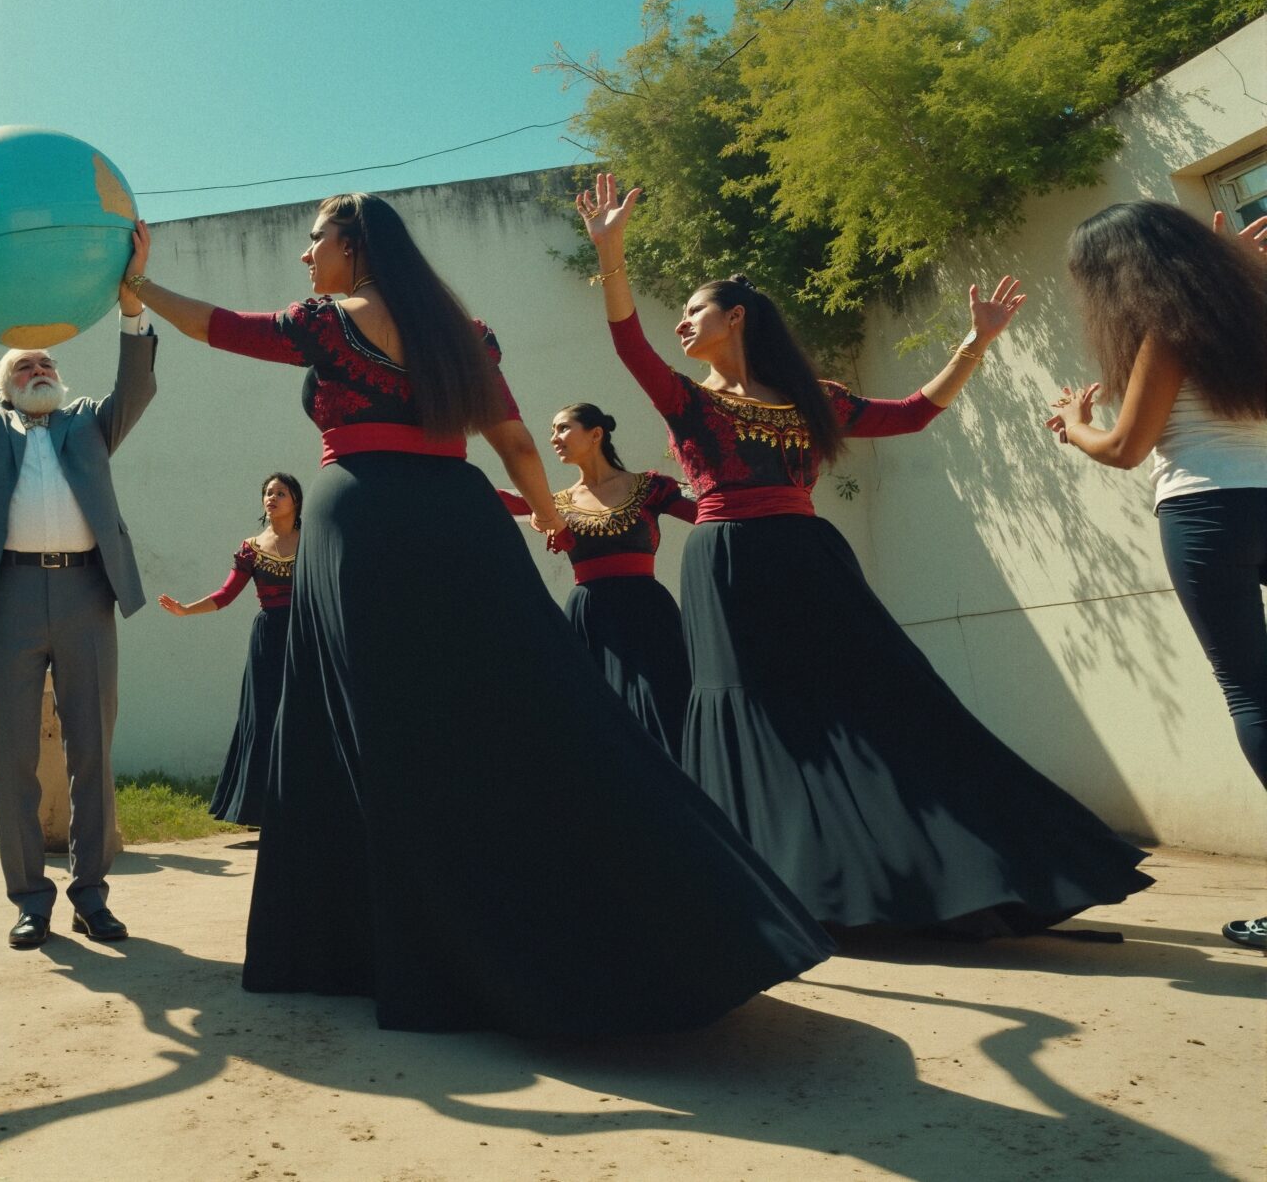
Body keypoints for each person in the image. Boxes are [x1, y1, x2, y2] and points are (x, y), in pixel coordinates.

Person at [128, 193, 831, 1036]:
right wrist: (547, 516)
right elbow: (519, 441)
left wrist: (140, 281)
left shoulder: (326, 322)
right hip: (463, 520)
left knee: (376, 731)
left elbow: (219, 327)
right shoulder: (462, 331)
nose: (305, 257)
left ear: (353, 242)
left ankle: (397, 946)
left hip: (364, 525)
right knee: (524, 713)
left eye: (314, 242)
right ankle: (662, 916)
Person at [575, 171, 1152, 935]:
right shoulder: (689, 398)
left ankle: (945, 872)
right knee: (752, 715)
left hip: (810, 560)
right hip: (727, 566)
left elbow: (914, 414)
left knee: (879, 702)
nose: (680, 323)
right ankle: (783, 877)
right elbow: (627, 342)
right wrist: (610, 252)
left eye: (693, 310)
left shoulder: (818, 398)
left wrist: (973, 344)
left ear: (736, 316)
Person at [1048, 203, 1267, 950]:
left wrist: (1074, 422)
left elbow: (1124, 448)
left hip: (1211, 515)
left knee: (1252, 689)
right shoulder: (1250, 312)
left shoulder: (1167, 331)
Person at [0, 266, 156, 950]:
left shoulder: (91, 425)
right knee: (14, 753)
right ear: (6, 387)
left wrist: (132, 308)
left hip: (86, 593)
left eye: (47, 360)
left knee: (93, 753)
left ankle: (91, 894)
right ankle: (30, 899)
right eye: (25, 364)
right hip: (7, 597)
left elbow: (136, 385)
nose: (40, 367)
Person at [493, 404, 697, 755]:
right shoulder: (554, 504)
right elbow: (504, 500)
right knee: (605, 714)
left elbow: (711, 512)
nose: (553, 439)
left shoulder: (650, 487)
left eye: (562, 428)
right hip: (592, 618)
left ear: (595, 434)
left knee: (666, 703)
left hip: (648, 613)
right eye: (552, 431)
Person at [157, 473, 302, 825]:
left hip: (305, 636)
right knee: (264, 717)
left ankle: (306, 810)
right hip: (268, 639)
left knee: (303, 718)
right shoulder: (251, 548)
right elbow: (225, 595)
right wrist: (187, 609)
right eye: (268, 493)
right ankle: (262, 811)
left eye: (280, 493)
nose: (272, 498)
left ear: (295, 501)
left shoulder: (313, 539)